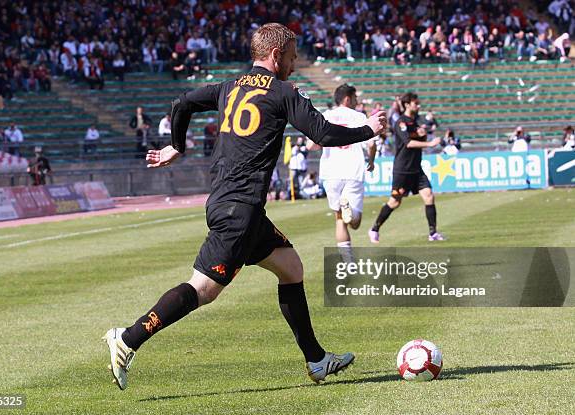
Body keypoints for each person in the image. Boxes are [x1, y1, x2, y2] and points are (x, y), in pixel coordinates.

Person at [103, 22, 387, 390]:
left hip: (237, 206)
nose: (295, 62)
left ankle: (316, 360)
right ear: (275, 54)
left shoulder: (228, 86)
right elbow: (324, 134)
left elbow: (183, 102)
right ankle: (127, 338)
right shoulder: (284, 92)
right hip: (239, 211)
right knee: (203, 289)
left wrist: (178, 145)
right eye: (292, 55)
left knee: (291, 268)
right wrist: (369, 129)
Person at [307, 84, 376, 263]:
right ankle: (350, 210)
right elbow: (371, 143)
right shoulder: (359, 116)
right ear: (347, 99)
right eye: (354, 98)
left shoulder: (325, 116)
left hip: (331, 172)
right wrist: (372, 160)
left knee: (339, 218)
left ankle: (348, 263)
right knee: (355, 222)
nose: (356, 102)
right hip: (353, 170)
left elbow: (311, 146)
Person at [369, 91, 444, 244]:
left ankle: (433, 233)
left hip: (416, 169)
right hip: (402, 170)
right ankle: (374, 229)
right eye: (416, 103)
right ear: (408, 104)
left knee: (429, 196)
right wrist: (429, 143)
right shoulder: (401, 123)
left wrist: (422, 133)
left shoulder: (415, 121)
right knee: (395, 202)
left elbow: (418, 135)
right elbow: (408, 143)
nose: (419, 105)